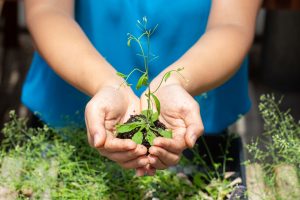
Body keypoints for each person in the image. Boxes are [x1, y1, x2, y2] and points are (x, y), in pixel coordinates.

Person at [22, 0, 261, 176]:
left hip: (190, 126)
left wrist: (176, 81)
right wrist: (105, 83)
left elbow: (233, 23)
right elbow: (48, 10)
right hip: (66, 115)